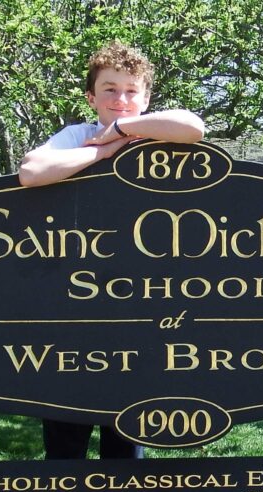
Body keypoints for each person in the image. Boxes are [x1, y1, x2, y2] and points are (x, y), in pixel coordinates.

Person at [18, 41, 204, 459]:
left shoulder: (158, 133)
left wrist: (122, 132)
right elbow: (31, 172)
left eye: (131, 91)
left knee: (127, 439)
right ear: (91, 97)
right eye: (109, 89)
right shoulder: (78, 135)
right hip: (78, 303)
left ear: (147, 97)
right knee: (66, 434)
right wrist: (100, 150)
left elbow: (194, 127)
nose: (121, 99)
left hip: (142, 304)